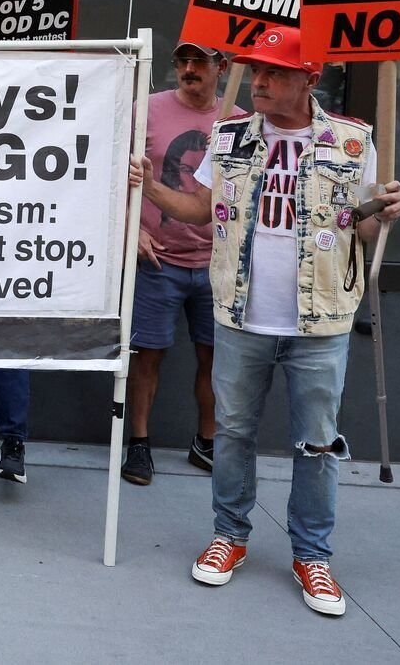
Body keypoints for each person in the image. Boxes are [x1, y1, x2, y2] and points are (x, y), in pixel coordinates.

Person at [132, 26, 400, 616]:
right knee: (232, 434)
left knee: (315, 443)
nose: (258, 82)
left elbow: (359, 229)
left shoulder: (353, 142)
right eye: (256, 71)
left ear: (309, 79)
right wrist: (149, 185)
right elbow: (198, 211)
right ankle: (229, 536)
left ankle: (312, 556)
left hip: (321, 320)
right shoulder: (228, 136)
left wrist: (385, 214)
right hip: (240, 314)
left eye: (274, 73)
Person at [121, 41, 245, 485]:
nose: (188, 69)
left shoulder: (241, 122)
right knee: (146, 355)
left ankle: (205, 441)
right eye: (182, 61)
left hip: (216, 263)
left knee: (215, 358)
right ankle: (137, 443)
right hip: (158, 259)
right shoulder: (145, 110)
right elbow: (108, 171)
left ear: (222, 68)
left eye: (199, 62)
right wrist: (128, 228)